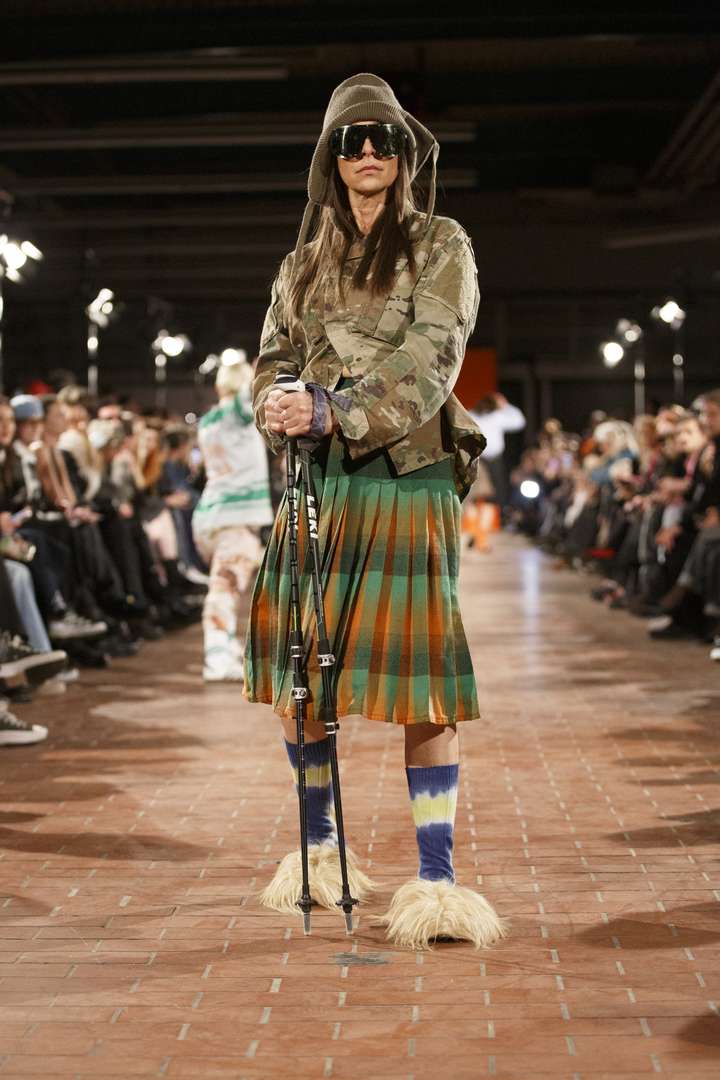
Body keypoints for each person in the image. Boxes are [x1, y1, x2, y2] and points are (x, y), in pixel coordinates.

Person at [245, 73, 507, 950]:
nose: (366, 152)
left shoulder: (443, 244)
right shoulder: (300, 261)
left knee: (420, 685)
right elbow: (272, 359)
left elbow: (436, 358)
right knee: (299, 678)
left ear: (404, 154)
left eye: (382, 140)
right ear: (330, 157)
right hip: (317, 482)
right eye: (350, 140)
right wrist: (278, 401)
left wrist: (335, 409)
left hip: (407, 475)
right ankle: (321, 851)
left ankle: (435, 882)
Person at [192, 359, 273, 682]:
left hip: (214, 514)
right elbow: (252, 390)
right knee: (224, 587)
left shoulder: (209, 419)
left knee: (226, 585)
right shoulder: (237, 415)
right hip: (234, 517)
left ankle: (223, 647)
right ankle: (216, 656)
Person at [469, 392, 526, 511]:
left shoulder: (497, 416)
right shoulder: (471, 416)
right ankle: (473, 516)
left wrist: (505, 405)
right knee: (475, 488)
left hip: (495, 459)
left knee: (499, 488)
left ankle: (500, 514)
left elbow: (519, 422)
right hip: (478, 459)